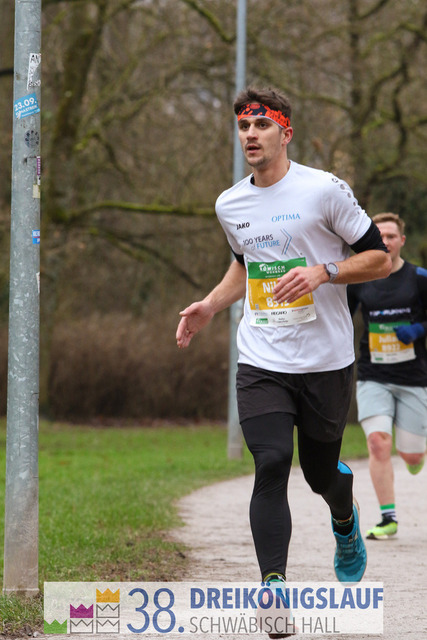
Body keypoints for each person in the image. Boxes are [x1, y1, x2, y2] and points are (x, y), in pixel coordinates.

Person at [176, 86, 391, 633]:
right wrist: (210, 305)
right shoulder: (230, 204)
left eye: (261, 126)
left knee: (320, 474)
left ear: (285, 132)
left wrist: (326, 272)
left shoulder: (324, 190)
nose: (250, 135)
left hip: (326, 360)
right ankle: (274, 590)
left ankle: (344, 516)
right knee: (271, 462)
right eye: (243, 127)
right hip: (262, 357)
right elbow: (245, 265)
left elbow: (380, 259)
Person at [347, 212, 427, 541]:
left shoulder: (419, 278)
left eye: (391, 236)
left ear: (401, 241)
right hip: (372, 374)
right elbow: (340, 318)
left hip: (413, 377)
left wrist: (419, 329)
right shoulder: (360, 280)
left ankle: (415, 457)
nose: (386, 241)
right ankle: (388, 518)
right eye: (380, 236)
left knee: (412, 455)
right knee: (378, 443)